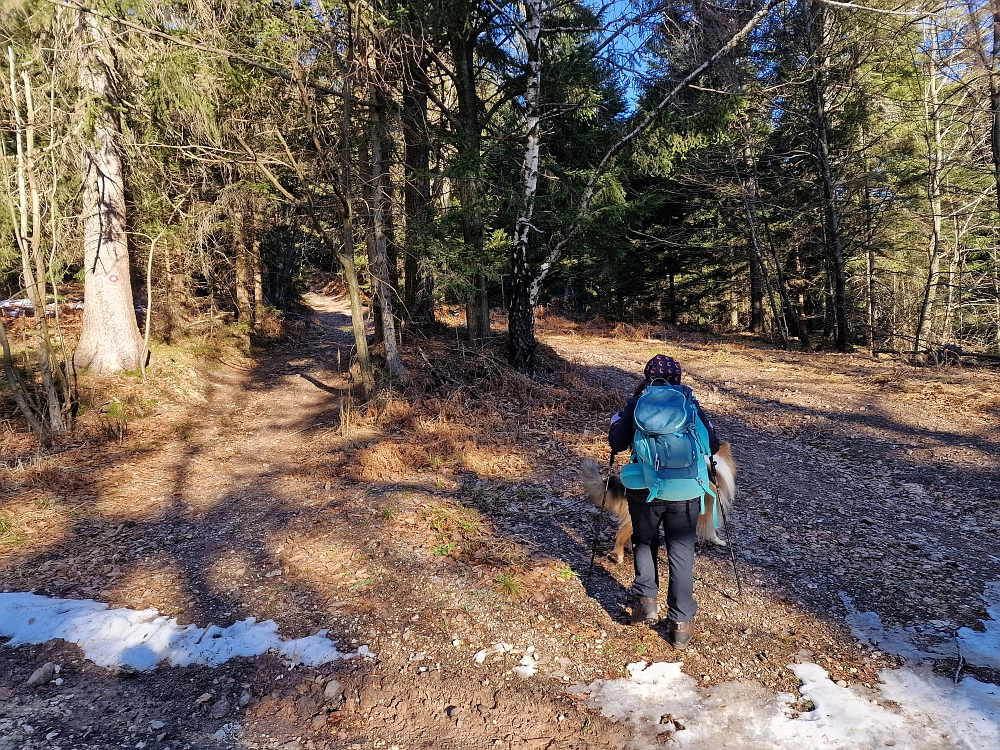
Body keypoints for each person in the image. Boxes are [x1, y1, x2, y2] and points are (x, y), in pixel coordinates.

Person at [608, 354, 720, 649]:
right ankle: (681, 623)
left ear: (648, 377)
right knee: (681, 552)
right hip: (686, 492)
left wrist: (617, 421)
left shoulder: (637, 404)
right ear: (678, 378)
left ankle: (646, 601)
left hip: (644, 489)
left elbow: (616, 443)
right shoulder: (689, 404)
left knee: (644, 541)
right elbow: (713, 446)